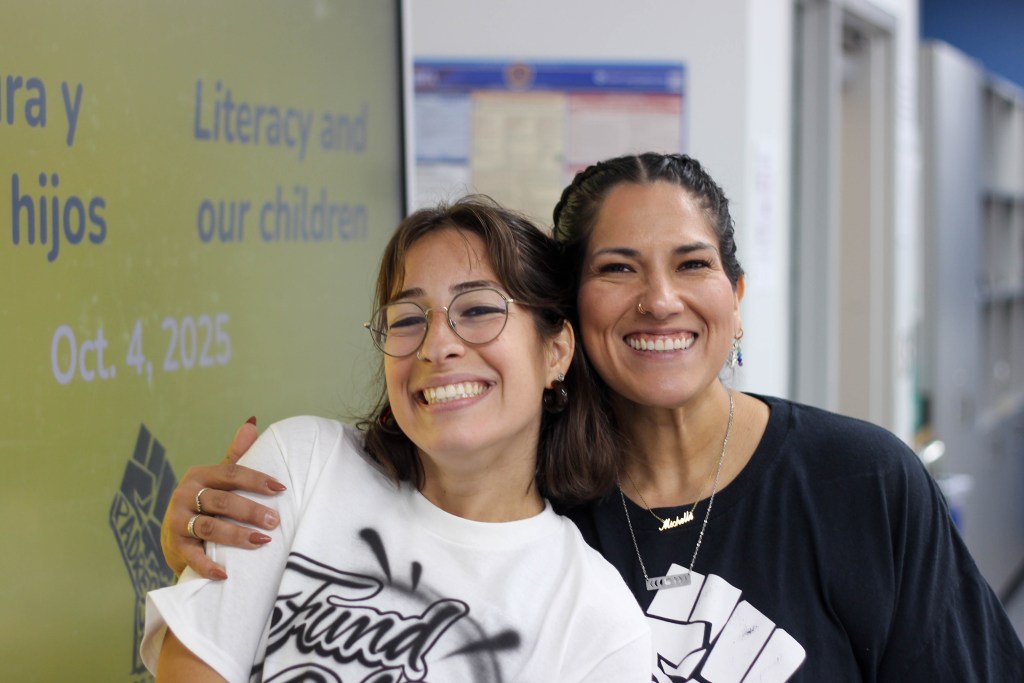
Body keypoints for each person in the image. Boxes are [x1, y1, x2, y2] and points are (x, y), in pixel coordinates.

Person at [163, 153, 1024, 681]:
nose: (659, 300)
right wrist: (212, 534)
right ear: (568, 323)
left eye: (692, 263)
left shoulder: (859, 481)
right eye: (617, 268)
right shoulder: (527, 491)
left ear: (737, 297)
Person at [142, 197, 652, 682]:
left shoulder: (598, 621)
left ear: (556, 351)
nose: (437, 346)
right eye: (408, 319)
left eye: (477, 310)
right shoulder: (301, 466)